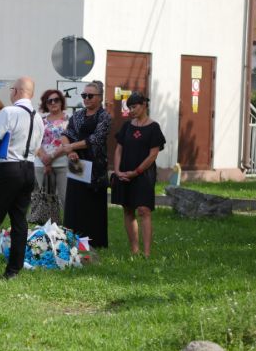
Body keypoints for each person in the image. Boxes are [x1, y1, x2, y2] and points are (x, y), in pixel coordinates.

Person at [0, 77, 44, 279]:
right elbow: (37, 147)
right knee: (19, 221)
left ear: (17, 91)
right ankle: (13, 270)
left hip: (7, 168)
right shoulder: (38, 117)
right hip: (28, 168)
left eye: (12, 89)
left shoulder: (8, 112)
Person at [112, 92, 166, 258]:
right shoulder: (127, 126)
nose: (132, 110)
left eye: (134, 107)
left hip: (144, 174)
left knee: (144, 210)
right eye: (129, 108)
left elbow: (153, 155)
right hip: (125, 173)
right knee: (128, 210)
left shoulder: (154, 127)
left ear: (144, 105)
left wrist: (136, 172)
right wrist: (118, 171)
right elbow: (119, 149)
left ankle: (147, 253)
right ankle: (135, 250)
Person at [61, 80, 112, 248]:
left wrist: (72, 146)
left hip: (95, 166)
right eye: (84, 95)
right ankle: (72, 239)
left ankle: (94, 242)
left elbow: (96, 139)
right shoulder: (77, 115)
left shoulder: (104, 116)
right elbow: (65, 133)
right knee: (75, 201)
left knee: (93, 204)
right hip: (77, 164)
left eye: (90, 95)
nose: (86, 99)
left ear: (99, 97)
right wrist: (70, 152)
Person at [34, 89, 69, 211]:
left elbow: (70, 142)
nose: (53, 103)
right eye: (49, 101)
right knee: (44, 201)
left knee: (66, 199)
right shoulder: (39, 120)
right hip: (41, 164)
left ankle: (67, 228)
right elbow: (34, 141)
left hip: (62, 163)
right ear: (45, 104)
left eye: (56, 100)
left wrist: (51, 157)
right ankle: (47, 229)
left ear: (61, 102)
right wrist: (44, 159)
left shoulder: (69, 120)